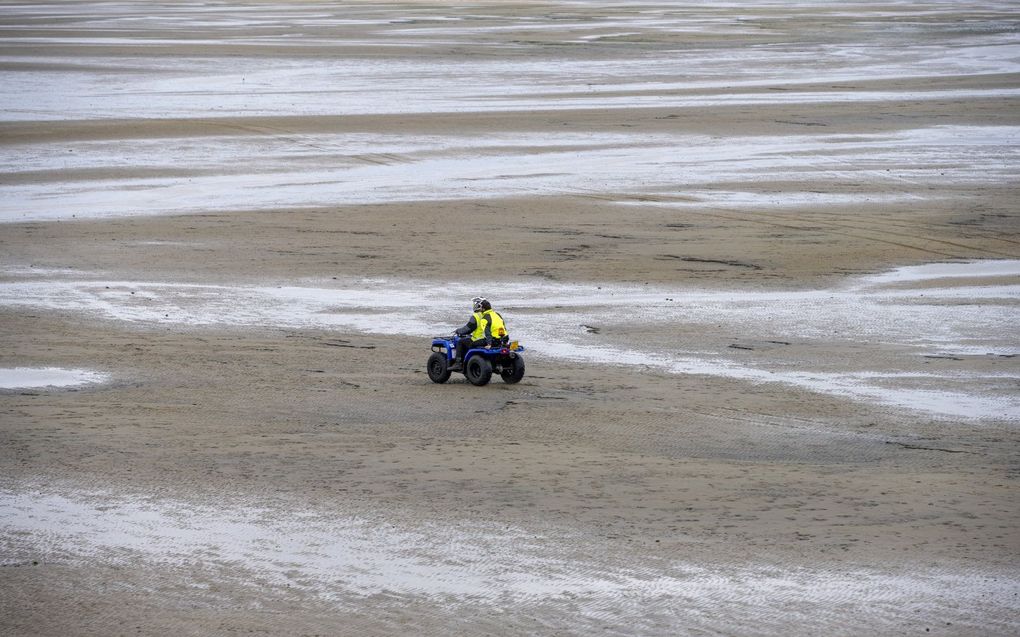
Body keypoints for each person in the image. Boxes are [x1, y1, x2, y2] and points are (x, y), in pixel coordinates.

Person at [451, 297, 508, 369]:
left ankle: (458, 363)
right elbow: (503, 328)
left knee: (460, 342)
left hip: (482, 339)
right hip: (499, 340)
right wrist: (505, 340)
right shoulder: (496, 314)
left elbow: (468, 329)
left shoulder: (478, 316)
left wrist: (458, 331)